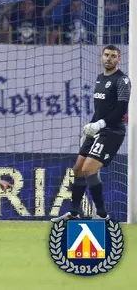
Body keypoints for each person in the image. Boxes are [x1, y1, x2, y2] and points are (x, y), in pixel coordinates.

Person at [52, 45, 131, 222]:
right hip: (97, 130)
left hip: (112, 131)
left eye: (113, 56)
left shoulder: (122, 80)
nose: (109, 58)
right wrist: (90, 128)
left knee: (88, 169)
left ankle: (103, 215)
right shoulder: (99, 78)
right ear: (101, 56)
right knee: (78, 169)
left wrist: (100, 124)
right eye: (106, 55)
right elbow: (100, 109)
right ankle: (73, 213)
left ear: (119, 59)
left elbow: (121, 109)